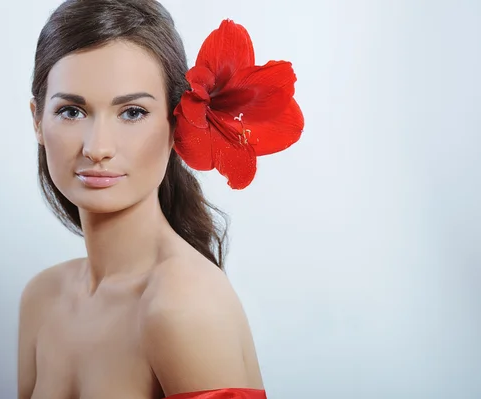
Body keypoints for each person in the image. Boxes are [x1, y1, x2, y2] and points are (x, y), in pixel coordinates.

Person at [18, 0, 304, 398]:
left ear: (177, 123)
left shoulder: (183, 307)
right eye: (71, 111)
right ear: (37, 120)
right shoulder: (42, 298)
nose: (97, 147)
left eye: (132, 112)